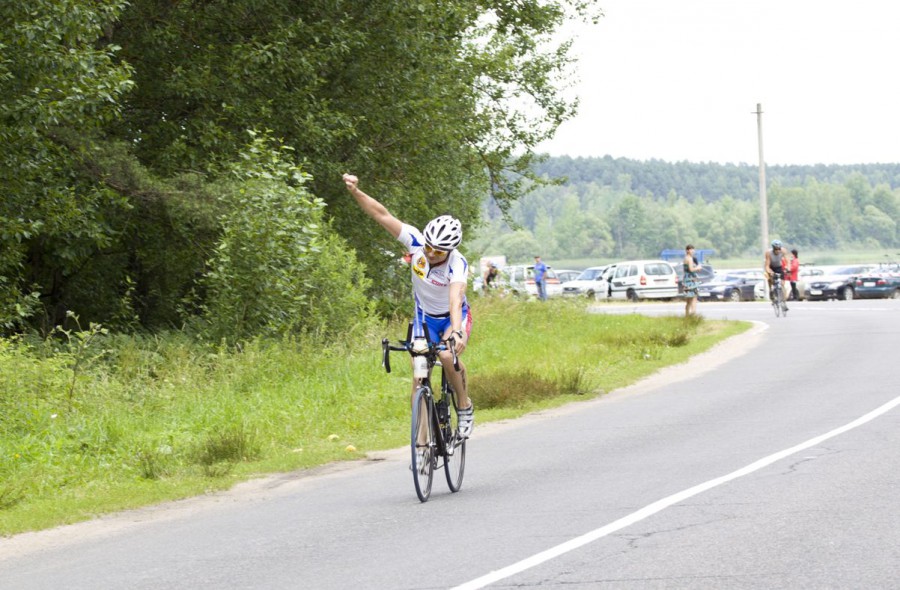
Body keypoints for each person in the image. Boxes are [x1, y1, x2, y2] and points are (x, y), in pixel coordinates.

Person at [343, 173, 474, 438]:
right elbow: (382, 215)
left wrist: (457, 332)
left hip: (451, 317)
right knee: (418, 374)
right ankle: (422, 442)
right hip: (424, 317)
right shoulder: (415, 242)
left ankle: (463, 404)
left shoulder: (457, 264)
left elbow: (455, 298)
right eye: (429, 246)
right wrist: (356, 191)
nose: (430, 253)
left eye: (438, 251)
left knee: (448, 355)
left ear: (449, 251)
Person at [764, 239, 789, 307]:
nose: (778, 251)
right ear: (773, 248)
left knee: (782, 283)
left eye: (779, 249)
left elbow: (788, 261)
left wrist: (787, 267)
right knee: (770, 279)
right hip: (771, 267)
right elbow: (767, 266)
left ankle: (783, 300)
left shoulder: (783, 251)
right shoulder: (768, 253)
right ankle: (771, 291)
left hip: (779, 267)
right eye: (776, 249)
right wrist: (770, 272)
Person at [682, 245, 702, 316]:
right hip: (691, 281)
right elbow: (691, 269)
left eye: (693, 249)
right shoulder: (690, 259)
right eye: (691, 249)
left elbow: (687, 269)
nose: (693, 251)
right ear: (687, 250)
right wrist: (698, 267)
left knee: (688, 301)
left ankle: (687, 316)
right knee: (694, 300)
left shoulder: (685, 258)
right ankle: (693, 316)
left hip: (686, 279)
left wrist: (696, 268)